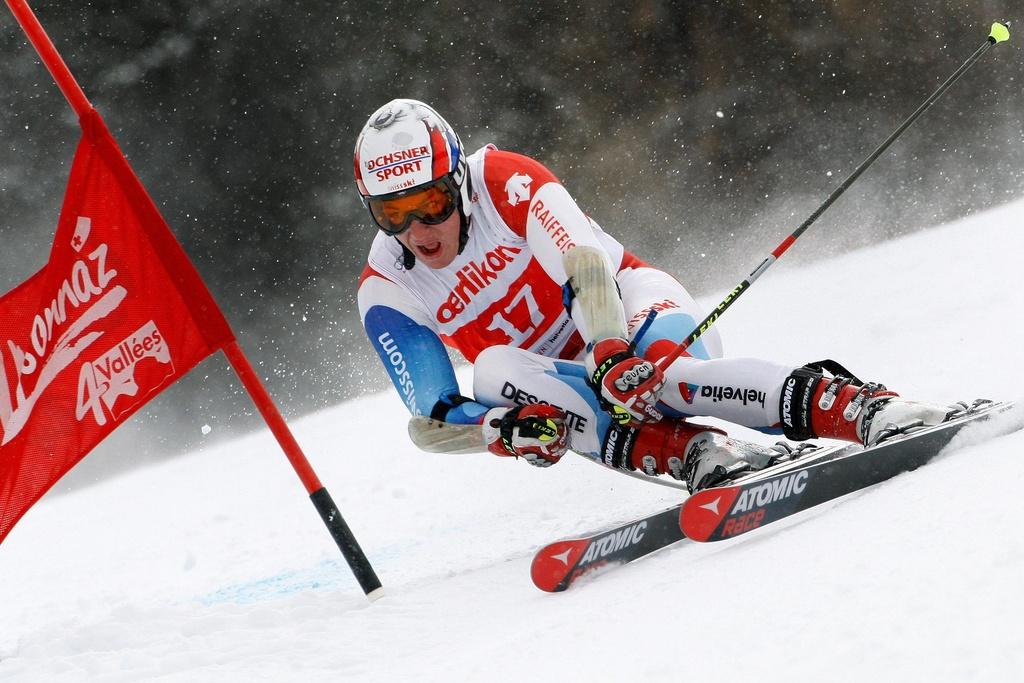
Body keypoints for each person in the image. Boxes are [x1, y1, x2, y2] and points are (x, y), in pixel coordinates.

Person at [354, 98, 957, 492]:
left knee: (663, 379)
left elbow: (584, 267)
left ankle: (857, 408)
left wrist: (611, 349)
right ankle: (696, 455)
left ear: (457, 179)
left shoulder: (504, 179)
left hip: (628, 310)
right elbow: (429, 420)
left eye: (429, 203)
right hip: (563, 377)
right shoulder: (387, 287)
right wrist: (500, 432)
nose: (418, 231)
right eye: (393, 214)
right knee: (491, 372)